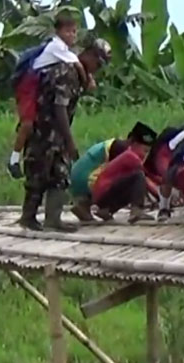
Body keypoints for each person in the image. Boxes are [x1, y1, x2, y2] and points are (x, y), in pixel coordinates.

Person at [19, 30, 110, 231]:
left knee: (60, 175)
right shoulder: (67, 72)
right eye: (98, 63)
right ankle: (28, 217)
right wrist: (69, 141)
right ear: (89, 54)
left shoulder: (76, 72)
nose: (97, 68)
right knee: (38, 174)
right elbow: (59, 107)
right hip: (44, 131)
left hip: (56, 133)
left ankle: (53, 219)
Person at [8, 15, 85, 179]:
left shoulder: (63, 50)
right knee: (28, 124)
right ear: (58, 32)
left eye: (74, 32)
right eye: (68, 32)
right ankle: (13, 159)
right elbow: (78, 65)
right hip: (29, 84)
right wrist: (87, 82)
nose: (72, 35)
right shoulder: (55, 47)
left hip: (38, 84)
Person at [70, 122, 157, 222]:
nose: (144, 155)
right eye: (145, 150)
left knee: (124, 181)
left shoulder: (115, 145)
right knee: (135, 178)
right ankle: (134, 210)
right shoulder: (123, 149)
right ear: (133, 142)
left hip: (77, 176)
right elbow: (141, 176)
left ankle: (90, 206)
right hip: (86, 178)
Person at [91, 139, 154, 222]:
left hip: (101, 196)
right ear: (135, 145)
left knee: (133, 189)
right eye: (145, 151)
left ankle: (106, 210)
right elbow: (146, 178)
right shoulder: (130, 156)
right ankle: (136, 211)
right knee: (139, 175)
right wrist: (162, 198)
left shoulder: (127, 155)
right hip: (105, 191)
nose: (145, 155)